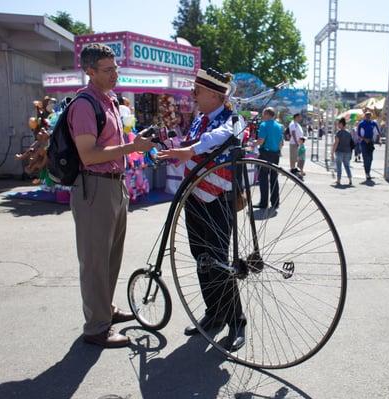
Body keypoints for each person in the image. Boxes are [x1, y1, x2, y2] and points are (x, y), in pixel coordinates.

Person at [68, 43, 154, 348]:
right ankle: (95, 328)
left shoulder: (110, 100)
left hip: (114, 185)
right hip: (94, 186)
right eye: (108, 70)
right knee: (94, 261)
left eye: (115, 67)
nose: (115, 73)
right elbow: (89, 155)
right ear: (89, 72)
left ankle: (105, 311)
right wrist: (132, 149)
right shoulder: (84, 105)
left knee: (110, 257)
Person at [157, 68, 246, 352]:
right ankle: (214, 313)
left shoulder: (232, 120)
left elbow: (221, 136)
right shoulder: (198, 120)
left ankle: (236, 320)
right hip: (194, 196)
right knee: (201, 256)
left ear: (215, 94)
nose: (193, 94)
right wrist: (170, 147)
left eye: (198, 90)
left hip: (218, 198)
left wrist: (191, 149)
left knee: (219, 259)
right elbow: (188, 147)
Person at [255, 106, 283, 209]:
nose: (262, 116)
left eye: (263, 114)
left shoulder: (264, 125)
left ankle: (263, 202)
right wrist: (278, 151)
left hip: (265, 153)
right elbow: (281, 142)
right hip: (275, 154)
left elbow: (261, 140)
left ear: (267, 114)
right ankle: (275, 202)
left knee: (263, 178)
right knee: (274, 177)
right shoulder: (279, 126)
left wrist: (253, 145)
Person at [356, 111, 380, 180]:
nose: (368, 117)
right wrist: (364, 139)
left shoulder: (373, 123)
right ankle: (367, 173)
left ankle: (368, 172)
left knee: (370, 158)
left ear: (371, 116)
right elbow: (359, 134)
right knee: (365, 158)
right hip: (364, 143)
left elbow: (377, 133)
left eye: (369, 116)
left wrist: (379, 140)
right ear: (364, 116)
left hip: (370, 142)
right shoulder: (361, 124)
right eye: (367, 116)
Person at [331, 118, 353, 186]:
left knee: (339, 166)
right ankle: (350, 179)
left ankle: (338, 180)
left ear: (341, 124)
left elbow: (336, 143)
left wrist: (332, 152)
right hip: (347, 152)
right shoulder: (348, 133)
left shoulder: (339, 133)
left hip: (339, 151)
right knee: (347, 166)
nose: (338, 125)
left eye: (338, 124)